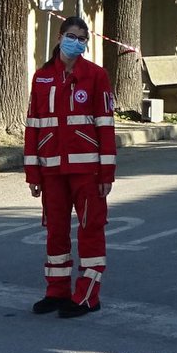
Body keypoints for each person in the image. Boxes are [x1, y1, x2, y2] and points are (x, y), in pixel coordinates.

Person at [23, 16, 117, 318]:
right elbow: (33, 127)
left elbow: (105, 127)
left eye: (82, 38)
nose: (77, 42)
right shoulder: (42, 77)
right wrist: (32, 172)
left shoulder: (96, 76)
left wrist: (106, 173)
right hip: (51, 171)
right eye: (72, 36)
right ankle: (56, 291)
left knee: (91, 230)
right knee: (56, 232)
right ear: (60, 36)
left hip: (87, 171)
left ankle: (88, 294)